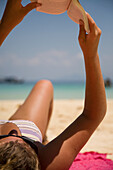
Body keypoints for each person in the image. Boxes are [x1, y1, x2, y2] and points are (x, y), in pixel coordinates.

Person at [0, 0, 107, 169]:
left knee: (44, 84)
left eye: (12, 139)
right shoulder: (47, 162)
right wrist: (91, 55)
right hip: (33, 134)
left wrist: (5, 25)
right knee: (45, 85)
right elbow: (92, 115)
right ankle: (41, 138)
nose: (15, 131)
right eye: (25, 142)